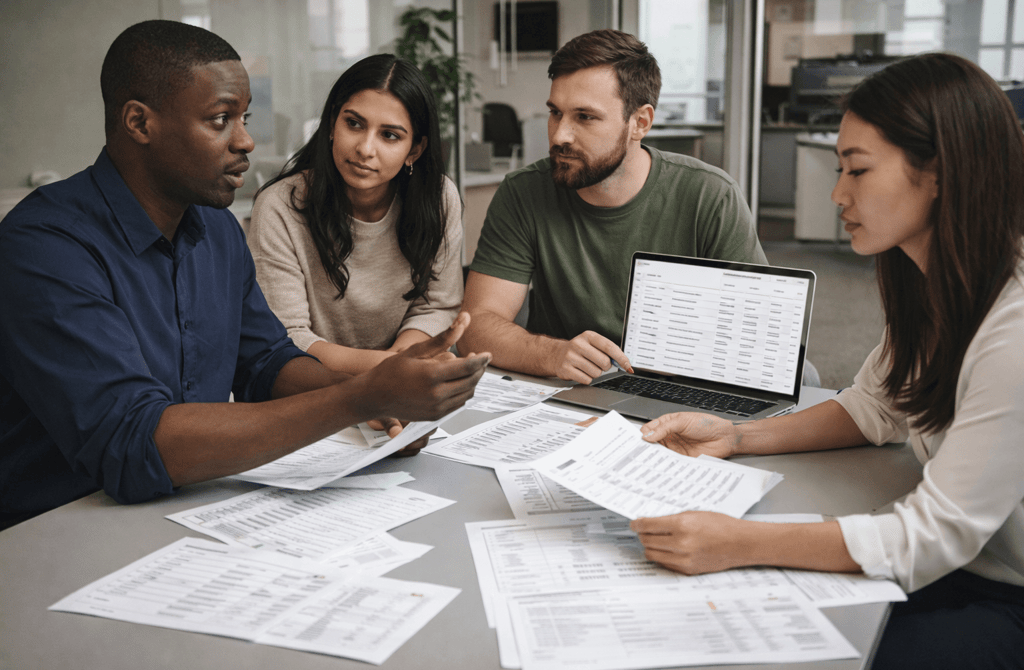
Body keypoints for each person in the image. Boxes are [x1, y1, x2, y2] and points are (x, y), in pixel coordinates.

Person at [0, 21, 488, 529]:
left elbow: (267, 363)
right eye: (220, 120)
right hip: (57, 528)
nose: (247, 141)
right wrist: (360, 396)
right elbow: (132, 442)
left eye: (245, 118)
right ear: (140, 124)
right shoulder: (44, 246)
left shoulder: (217, 229)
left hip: (188, 509)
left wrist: (376, 412)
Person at [630, 53, 1024, 668]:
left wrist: (741, 542)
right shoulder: (933, 282)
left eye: (858, 170)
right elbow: (874, 405)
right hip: (966, 565)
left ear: (941, 173)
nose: (838, 193)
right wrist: (736, 435)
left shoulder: (1014, 328)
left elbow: (933, 533)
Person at [459, 29, 766, 385]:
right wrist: (552, 354)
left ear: (640, 122)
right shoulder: (524, 192)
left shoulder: (710, 196)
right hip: (566, 392)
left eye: (585, 117)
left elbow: (755, 339)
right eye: (555, 113)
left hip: (680, 389)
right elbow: (475, 327)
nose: (559, 135)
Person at [248, 54, 463, 375]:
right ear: (332, 124)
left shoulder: (439, 197)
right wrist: (386, 370)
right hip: (311, 386)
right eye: (354, 123)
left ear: (414, 150)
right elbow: (286, 334)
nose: (365, 148)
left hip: (403, 381)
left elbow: (437, 306)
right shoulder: (279, 205)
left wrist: (397, 366)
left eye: (389, 135)